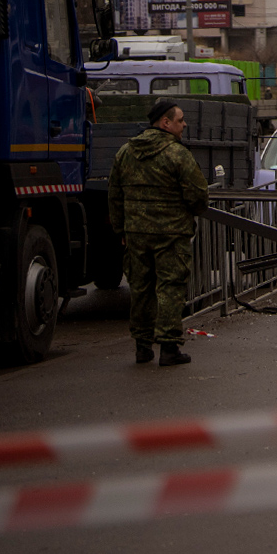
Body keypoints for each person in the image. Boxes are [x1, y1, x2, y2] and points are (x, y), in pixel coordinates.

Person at [108, 99, 211, 367]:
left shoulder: (125, 153)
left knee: (141, 289)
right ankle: (168, 347)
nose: (184, 124)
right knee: (169, 288)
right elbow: (199, 195)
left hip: (136, 234)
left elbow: (115, 196)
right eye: (180, 120)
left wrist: (121, 228)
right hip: (171, 234)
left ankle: (142, 347)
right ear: (165, 123)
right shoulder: (177, 155)